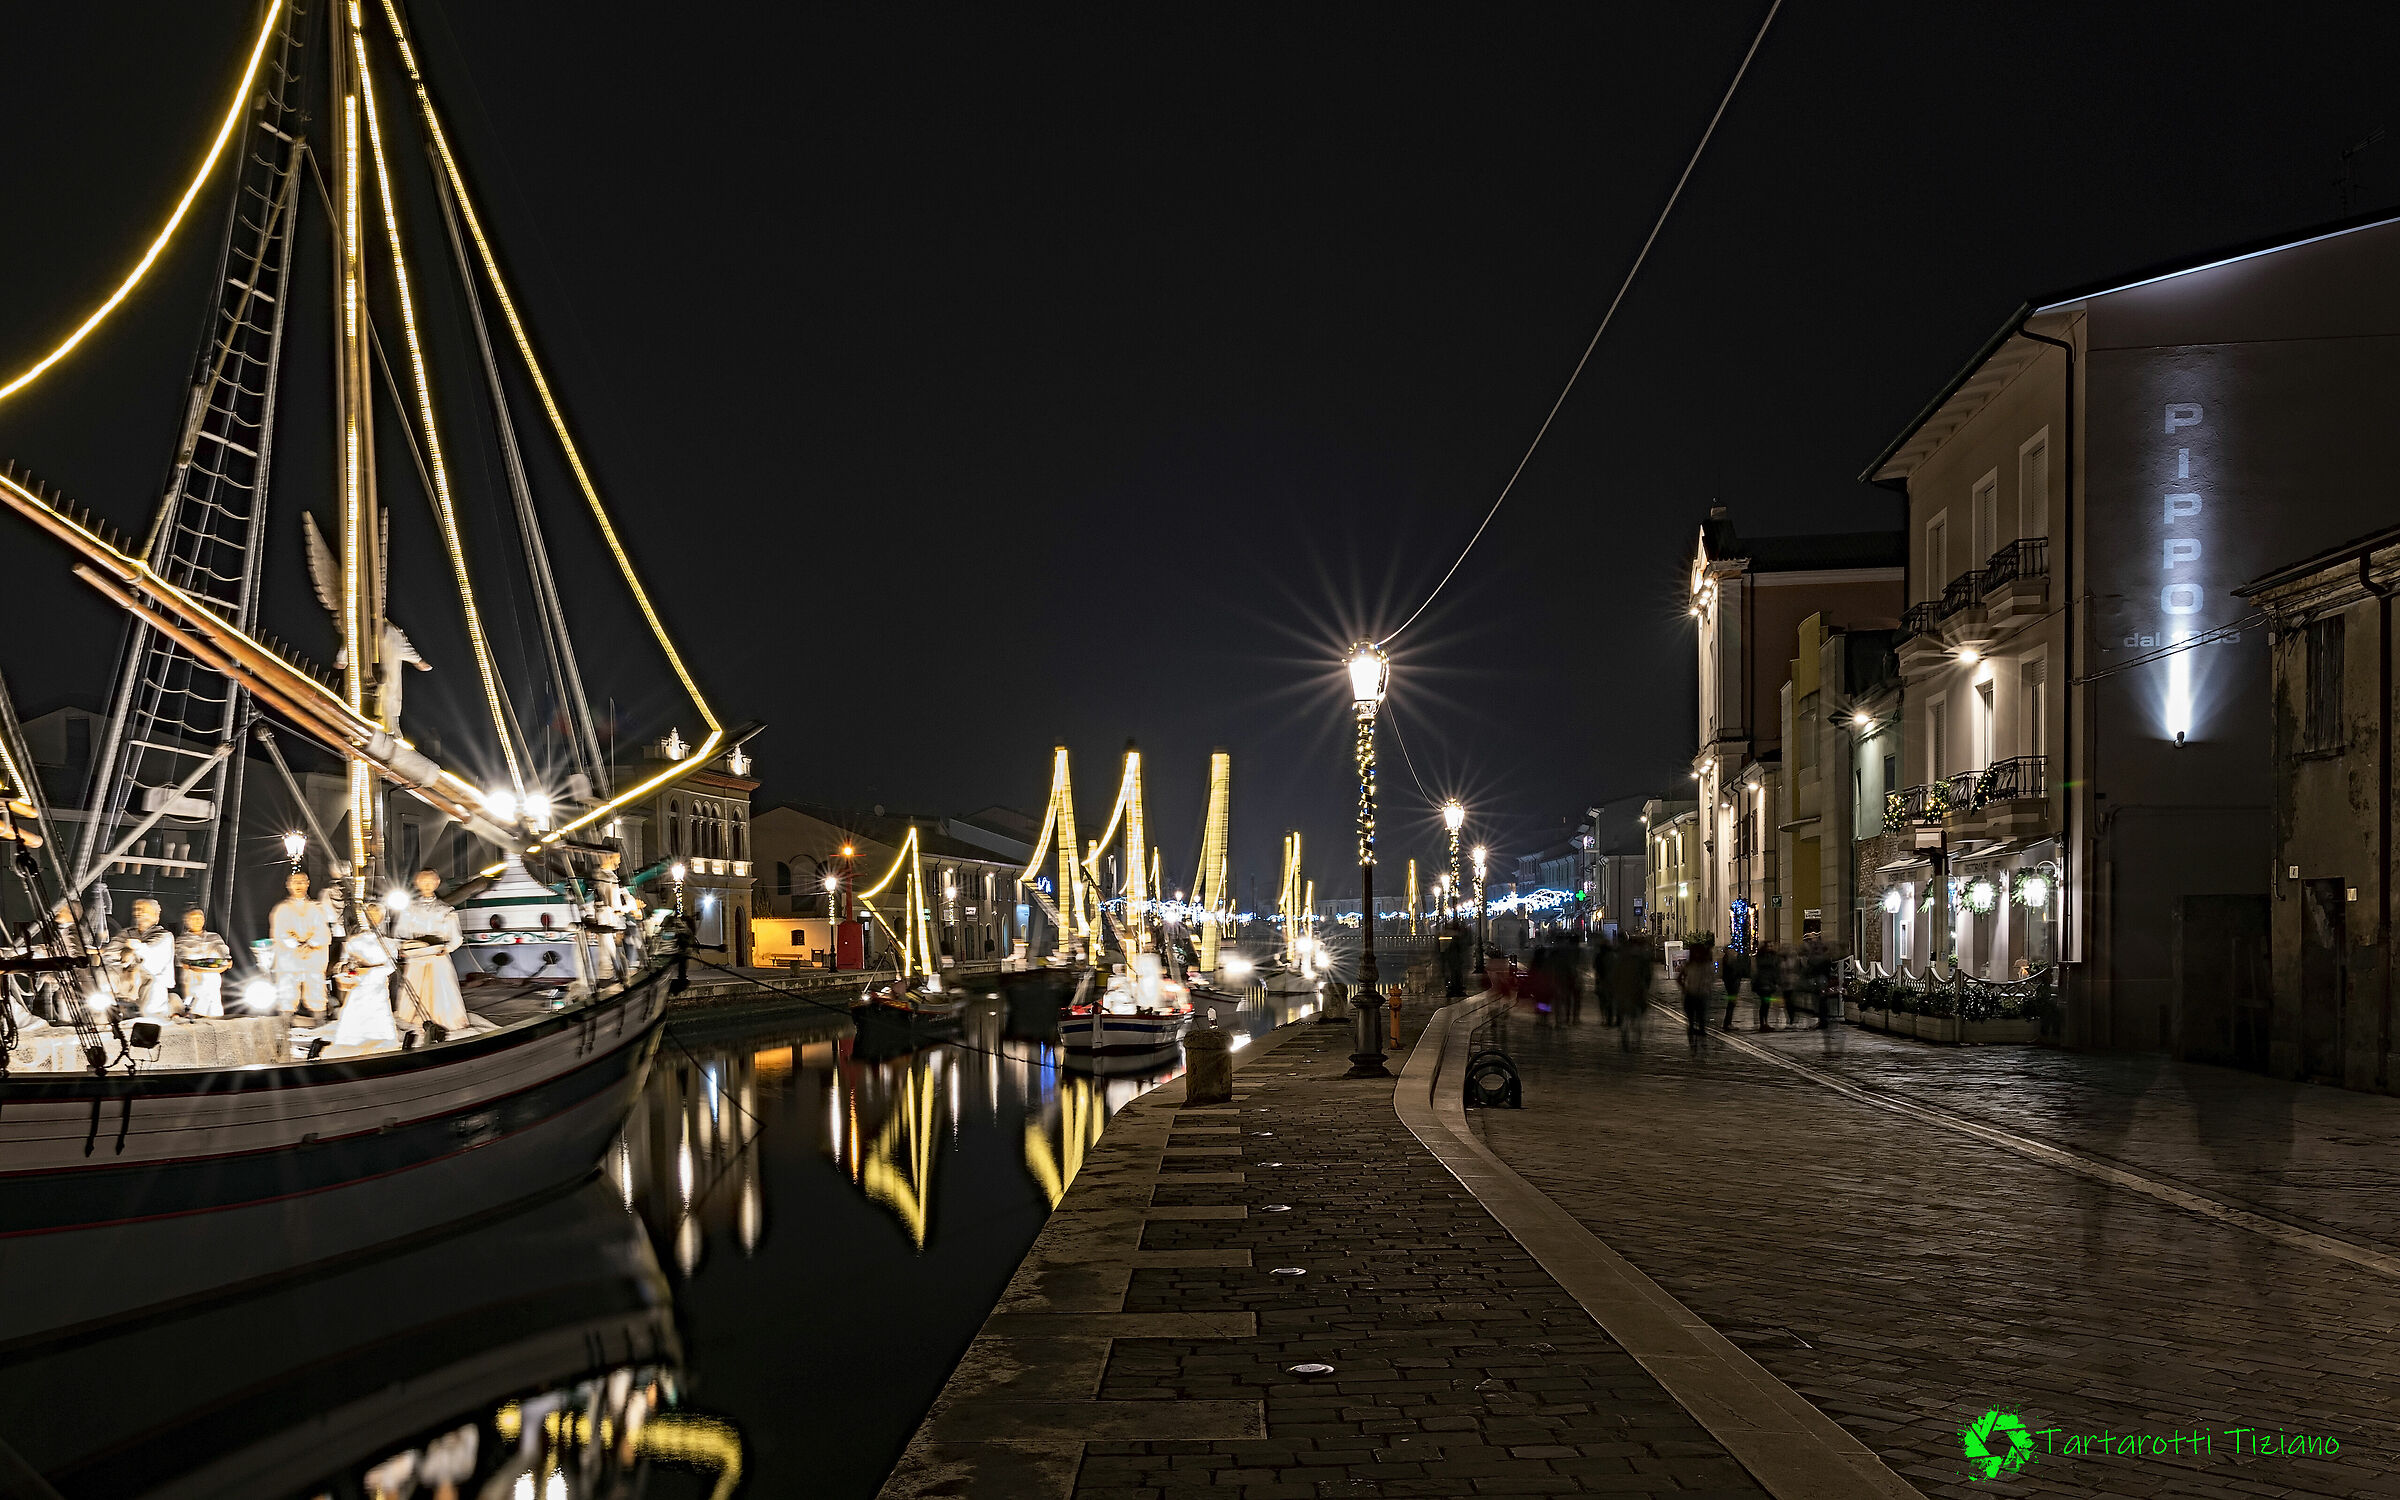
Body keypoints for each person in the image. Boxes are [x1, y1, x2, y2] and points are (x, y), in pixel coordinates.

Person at [394, 869, 468, 1037]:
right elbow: (400, 933)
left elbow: (456, 937)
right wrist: (405, 947)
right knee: (414, 987)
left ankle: (442, 1019)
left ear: (437, 883)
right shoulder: (410, 909)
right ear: (417, 884)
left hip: (437, 957)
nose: (427, 885)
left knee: (440, 988)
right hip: (417, 957)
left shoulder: (445, 909)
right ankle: (414, 1019)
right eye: (423, 882)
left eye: (430, 882)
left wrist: (446, 948)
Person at [329, 901, 401, 1052]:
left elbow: (391, 966)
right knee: (355, 1007)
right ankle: (354, 1036)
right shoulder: (354, 941)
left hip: (377, 983)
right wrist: (349, 969)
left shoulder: (388, 943)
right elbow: (344, 962)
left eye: (376, 917)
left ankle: (380, 1036)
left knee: (378, 1007)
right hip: (359, 983)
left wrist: (371, 971)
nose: (373, 920)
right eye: (370, 917)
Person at [270, 870, 333, 1020]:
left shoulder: (316, 908)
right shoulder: (281, 909)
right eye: (295, 882)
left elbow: (323, 931)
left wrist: (310, 944)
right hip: (290, 958)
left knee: (317, 992)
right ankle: (284, 1027)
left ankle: (320, 1027)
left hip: (312, 957)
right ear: (288, 885)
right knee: (287, 993)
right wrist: (296, 946)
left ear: (308, 883)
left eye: (302, 881)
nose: (298, 885)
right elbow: (279, 932)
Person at [104, 898, 178, 1018]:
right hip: (124, 979)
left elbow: (149, 953)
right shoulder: (125, 933)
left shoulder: (164, 936)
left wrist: (131, 951)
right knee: (103, 975)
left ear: (155, 915)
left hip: (150, 981)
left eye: (143, 909)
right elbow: (109, 953)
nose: (139, 913)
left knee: (150, 1013)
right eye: (137, 909)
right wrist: (128, 953)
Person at [174, 907, 232, 1018]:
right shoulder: (182, 940)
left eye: (199, 918)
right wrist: (194, 965)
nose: (197, 921)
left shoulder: (214, 937)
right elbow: (184, 960)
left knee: (214, 1009)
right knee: (195, 1009)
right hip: (194, 980)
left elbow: (222, 949)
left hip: (212, 979)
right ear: (186, 921)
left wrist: (227, 959)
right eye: (193, 919)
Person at [1678, 939, 1715, 1055]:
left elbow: (1712, 978)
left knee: (1702, 1021)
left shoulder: (1707, 965)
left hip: (1702, 995)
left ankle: (1702, 1044)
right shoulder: (1689, 965)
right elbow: (1680, 978)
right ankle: (1693, 1044)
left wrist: (1708, 986)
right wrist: (1684, 988)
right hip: (1691, 995)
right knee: (1691, 1021)